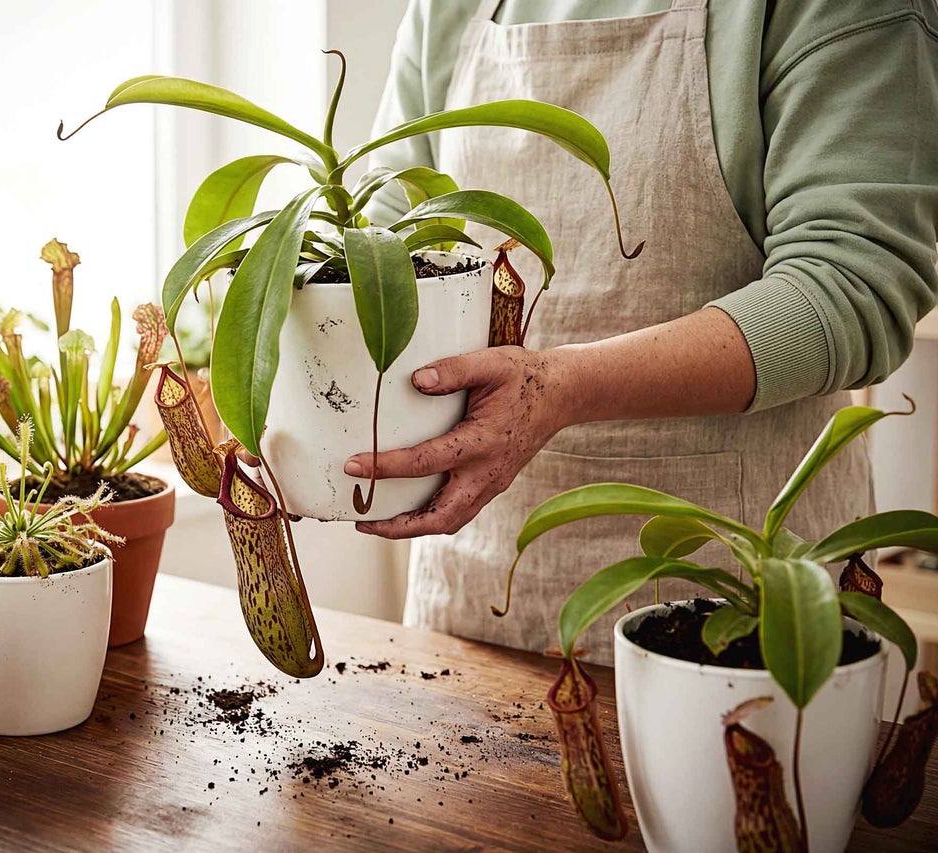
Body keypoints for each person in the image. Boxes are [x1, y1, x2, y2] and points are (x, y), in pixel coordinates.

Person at [351, 0, 938, 661]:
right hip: (475, 572)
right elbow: (388, 226)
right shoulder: (445, 10)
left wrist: (558, 387)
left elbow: (852, 282)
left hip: (735, 592)